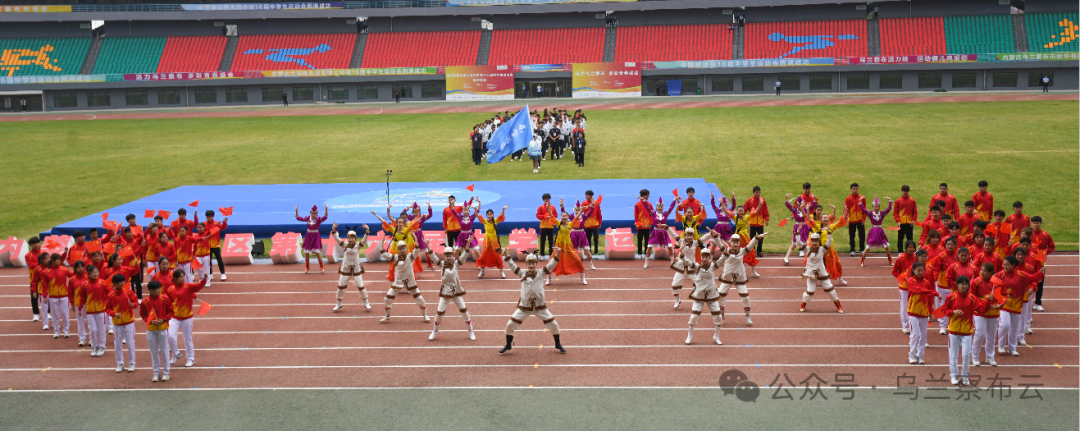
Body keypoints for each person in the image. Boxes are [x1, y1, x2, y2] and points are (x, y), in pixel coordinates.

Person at [499, 249, 564, 354]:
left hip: (540, 307)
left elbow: (551, 265)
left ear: (536, 263)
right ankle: (508, 344)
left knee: (554, 324)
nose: (531, 265)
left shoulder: (541, 273)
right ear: (526, 264)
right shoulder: (522, 273)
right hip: (524, 307)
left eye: (533, 263)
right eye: (529, 263)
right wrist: (506, 254)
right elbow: (512, 266)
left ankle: (557, 343)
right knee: (510, 324)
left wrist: (558, 254)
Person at [939, 276, 996, 385]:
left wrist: (989, 301)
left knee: (966, 355)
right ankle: (954, 375)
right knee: (953, 355)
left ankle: (965, 375)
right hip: (953, 331)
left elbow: (982, 309)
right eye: (962, 284)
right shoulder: (951, 297)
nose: (964, 286)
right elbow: (944, 310)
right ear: (957, 285)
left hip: (967, 332)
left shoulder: (972, 298)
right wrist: (953, 312)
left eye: (966, 284)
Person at [994, 256, 1039, 357]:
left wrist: (1041, 272)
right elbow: (994, 288)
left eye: (1007, 265)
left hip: (1017, 306)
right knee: (1004, 325)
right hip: (1004, 305)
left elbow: (1033, 278)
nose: (1005, 266)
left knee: (1014, 328)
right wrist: (1000, 298)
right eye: (1004, 264)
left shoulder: (1021, 275)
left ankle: (1012, 348)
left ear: (1014, 265)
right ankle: (1001, 345)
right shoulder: (999, 275)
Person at [718, 232, 766, 326]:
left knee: (746, 297)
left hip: (739, 278)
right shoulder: (726, 251)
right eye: (733, 242)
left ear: (739, 243)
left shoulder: (742, 251)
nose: (735, 244)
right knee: (720, 295)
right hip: (727, 277)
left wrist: (756, 238)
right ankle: (721, 313)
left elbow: (750, 246)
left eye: (737, 242)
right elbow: (719, 244)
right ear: (730, 243)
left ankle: (747, 316)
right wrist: (715, 236)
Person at [429, 247, 475, 341]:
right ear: (444, 256)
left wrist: (467, 247)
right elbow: (434, 257)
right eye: (446, 256)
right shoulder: (441, 264)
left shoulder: (456, 264)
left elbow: (463, 258)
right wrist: (429, 247)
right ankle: (434, 331)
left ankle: (471, 331)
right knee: (439, 313)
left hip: (456, 292)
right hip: (445, 293)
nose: (448, 257)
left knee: (464, 311)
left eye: (450, 255)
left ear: (452, 256)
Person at [379, 241, 429, 323]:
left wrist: (416, 239)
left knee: (419, 298)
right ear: (398, 250)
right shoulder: (395, 257)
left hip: (410, 282)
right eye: (400, 249)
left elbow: (416, 249)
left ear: (406, 248)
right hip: (398, 282)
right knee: (387, 298)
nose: (402, 250)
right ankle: (387, 316)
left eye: (403, 248)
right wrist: (382, 242)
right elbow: (384, 254)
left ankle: (425, 314)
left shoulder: (410, 257)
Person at [681, 249, 724, 345]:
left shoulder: (712, 267)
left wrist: (725, 251)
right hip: (699, 295)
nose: (704, 259)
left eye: (706, 257)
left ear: (709, 258)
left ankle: (716, 336)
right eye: (703, 257)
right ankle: (689, 335)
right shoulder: (697, 267)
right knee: (694, 316)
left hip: (711, 295)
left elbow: (721, 261)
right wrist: (682, 253)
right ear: (701, 257)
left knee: (718, 316)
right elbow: (687, 262)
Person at [166, 269, 206, 368]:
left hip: (187, 317)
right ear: (175, 279)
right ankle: (176, 354)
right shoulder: (170, 290)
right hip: (174, 317)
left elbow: (198, 286)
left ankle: (190, 358)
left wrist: (204, 279)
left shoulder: (188, 286)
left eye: (183, 276)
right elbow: (168, 303)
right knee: (170, 336)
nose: (183, 278)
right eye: (180, 277)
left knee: (187, 338)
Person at [800, 232, 843, 313]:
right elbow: (799, 243)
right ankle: (803, 304)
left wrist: (829, 233)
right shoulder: (807, 249)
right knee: (810, 291)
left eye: (816, 241)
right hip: (811, 274)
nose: (815, 243)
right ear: (811, 241)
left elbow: (829, 242)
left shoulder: (822, 249)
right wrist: (798, 233)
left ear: (819, 242)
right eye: (813, 241)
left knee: (830, 289)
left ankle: (838, 305)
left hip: (822, 273)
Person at [331, 223, 371, 312]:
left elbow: (364, 241)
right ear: (347, 238)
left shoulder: (358, 245)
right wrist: (333, 230)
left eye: (353, 238)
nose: (351, 239)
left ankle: (366, 302)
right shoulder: (344, 245)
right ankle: (338, 303)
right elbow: (337, 239)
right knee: (341, 286)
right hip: (345, 268)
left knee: (360, 286)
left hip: (356, 269)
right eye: (349, 238)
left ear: (355, 239)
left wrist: (367, 231)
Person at [140, 280, 174, 382]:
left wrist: (164, 319)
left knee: (164, 351)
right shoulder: (145, 301)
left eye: (160, 289)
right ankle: (156, 373)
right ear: (151, 290)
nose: (159, 291)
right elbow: (143, 314)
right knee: (154, 352)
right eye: (157, 289)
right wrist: (150, 321)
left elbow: (171, 311)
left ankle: (166, 372)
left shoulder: (165, 298)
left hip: (163, 328)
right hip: (151, 329)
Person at [105, 274, 139, 373]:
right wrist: (114, 314)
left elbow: (136, 302)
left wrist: (133, 304)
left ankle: (132, 363)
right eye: (120, 282)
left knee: (130, 343)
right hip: (117, 323)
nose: (122, 283)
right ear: (115, 283)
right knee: (117, 344)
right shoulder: (111, 295)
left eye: (123, 281)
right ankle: (120, 363)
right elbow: (108, 309)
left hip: (129, 322)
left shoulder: (128, 292)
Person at [905, 262, 937, 364]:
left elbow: (929, 299)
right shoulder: (910, 281)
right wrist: (934, 292)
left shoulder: (926, 282)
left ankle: (920, 356)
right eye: (918, 271)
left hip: (924, 313)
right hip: (913, 312)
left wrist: (931, 312)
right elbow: (919, 290)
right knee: (916, 334)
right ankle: (912, 355)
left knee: (923, 336)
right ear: (913, 270)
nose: (920, 272)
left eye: (922, 271)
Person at [970, 263, 1000, 367]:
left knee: (991, 336)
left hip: (993, 313)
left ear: (991, 273)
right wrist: (985, 303)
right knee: (980, 333)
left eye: (985, 271)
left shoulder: (997, 283)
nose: (982, 272)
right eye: (982, 270)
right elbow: (972, 296)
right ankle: (975, 356)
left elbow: (1002, 296)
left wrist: (998, 305)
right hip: (979, 312)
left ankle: (990, 357)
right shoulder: (976, 281)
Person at [80, 265, 110, 357]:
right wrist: (79, 308)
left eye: (97, 272)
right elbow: (82, 297)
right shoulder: (84, 284)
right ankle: (94, 347)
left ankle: (102, 347)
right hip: (90, 311)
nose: (96, 274)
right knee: (93, 330)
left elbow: (109, 292)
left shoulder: (102, 282)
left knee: (101, 329)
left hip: (101, 310)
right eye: (93, 272)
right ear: (88, 274)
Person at [892, 243, 921, 333]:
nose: (911, 249)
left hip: (915, 285)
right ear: (906, 248)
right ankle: (904, 325)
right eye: (910, 247)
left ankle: (913, 325)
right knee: (904, 305)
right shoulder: (901, 258)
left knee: (914, 304)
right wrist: (903, 277)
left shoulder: (916, 257)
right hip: (904, 286)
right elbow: (894, 271)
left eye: (913, 247)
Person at [476, 205, 509, 279]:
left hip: (494, 242)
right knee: (483, 256)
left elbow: (502, 216)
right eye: (488, 214)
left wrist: (503, 209)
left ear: (493, 215)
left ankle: (501, 271)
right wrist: (476, 208)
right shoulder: (484, 221)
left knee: (498, 256)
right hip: (487, 242)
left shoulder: (495, 221)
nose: (489, 215)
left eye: (491, 214)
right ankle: (482, 271)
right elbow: (477, 215)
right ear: (486, 215)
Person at [45, 253, 74, 338]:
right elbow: (44, 284)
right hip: (53, 296)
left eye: (59, 259)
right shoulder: (47, 271)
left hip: (64, 295)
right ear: (52, 260)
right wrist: (44, 295)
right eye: (57, 259)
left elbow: (73, 276)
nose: (59, 261)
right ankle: (56, 331)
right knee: (55, 315)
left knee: (65, 314)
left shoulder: (64, 269)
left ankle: (66, 331)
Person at [858, 197, 893, 266]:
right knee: (868, 246)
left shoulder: (882, 213)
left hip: (880, 231)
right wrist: (860, 203)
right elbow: (864, 210)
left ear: (879, 207)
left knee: (886, 246)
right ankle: (862, 260)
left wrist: (890, 202)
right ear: (873, 207)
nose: (876, 207)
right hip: (873, 231)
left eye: (877, 206)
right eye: (874, 206)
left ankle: (890, 260)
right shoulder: (870, 213)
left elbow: (888, 209)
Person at [644, 197, 678, 268]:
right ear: (656, 208)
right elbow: (647, 207)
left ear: (663, 208)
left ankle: (672, 261)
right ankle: (646, 262)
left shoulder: (665, 214)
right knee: (649, 247)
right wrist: (644, 201)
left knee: (669, 247)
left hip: (663, 233)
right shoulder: (653, 213)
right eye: (658, 206)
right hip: (655, 233)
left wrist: (674, 200)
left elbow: (671, 208)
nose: (660, 208)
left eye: (661, 206)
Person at [1030, 216, 1054, 311]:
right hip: (1030, 260)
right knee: (1029, 280)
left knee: (1040, 281)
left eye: (1037, 223)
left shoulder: (1046, 235)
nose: (1036, 224)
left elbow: (1052, 246)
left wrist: (1044, 253)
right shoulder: (1029, 234)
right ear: (1032, 223)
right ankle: (1027, 302)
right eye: (1034, 223)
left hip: (1040, 261)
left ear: (1041, 223)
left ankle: (1038, 303)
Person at [295, 204, 329, 273]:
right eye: (312, 213)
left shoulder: (318, 220)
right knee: (306, 252)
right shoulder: (307, 218)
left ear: (316, 214)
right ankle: (307, 266)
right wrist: (296, 211)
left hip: (316, 236)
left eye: (315, 213)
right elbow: (298, 218)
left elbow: (325, 217)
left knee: (317, 252)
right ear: (310, 213)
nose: (313, 215)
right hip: (308, 236)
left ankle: (322, 266)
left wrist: (326, 209)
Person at [781, 194, 811, 266]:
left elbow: (805, 216)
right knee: (794, 244)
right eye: (799, 204)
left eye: (801, 204)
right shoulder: (794, 210)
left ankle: (810, 259)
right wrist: (786, 197)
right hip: (797, 227)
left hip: (805, 227)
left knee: (807, 244)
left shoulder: (806, 210)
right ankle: (786, 258)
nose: (800, 206)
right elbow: (787, 205)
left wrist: (803, 209)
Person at [743, 186, 769, 257]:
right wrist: (742, 217)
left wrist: (767, 219)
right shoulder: (749, 200)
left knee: (760, 238)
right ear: (753, 192)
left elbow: (765, 210)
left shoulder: (763, 200)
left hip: (760, 223)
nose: (758, 193)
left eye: (759, 192)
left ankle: (759, 251)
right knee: (752, 238)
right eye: (757, 192)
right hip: (752, 223)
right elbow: (744, 209)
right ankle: (752, 251)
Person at [203, 210, 228, 281]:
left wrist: (224, 222)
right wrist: (212, 229)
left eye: (210, 216)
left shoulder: (217, 223)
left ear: (213, 216)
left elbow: (223, 227)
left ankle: (223, 274)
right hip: (207, 245)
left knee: (219, 260)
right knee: (208, 261)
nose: (209, 218)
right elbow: (204, 233)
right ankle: (210, 274)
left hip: (216, 245)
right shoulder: (204, 224)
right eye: (207, 216)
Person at [69, 261, 89, 346]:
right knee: (80, 322)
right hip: (78, 303)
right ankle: (82, 339)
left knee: (90, 322)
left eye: (82, 267)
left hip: (88, 303)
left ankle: (92, 339)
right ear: (75, 268)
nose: (80, 268)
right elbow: (70, 292)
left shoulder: (88, 277)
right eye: (78, 267)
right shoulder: (72, 279)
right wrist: (72, 303)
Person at [893, 185, 918, 253]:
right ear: (902, 191)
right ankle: (900, 252)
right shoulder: (898, 201)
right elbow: (895, 212)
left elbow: (915, 211)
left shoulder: (912, 200)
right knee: (900, 238)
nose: (905, 192)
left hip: (910, 223)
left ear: (908, 191)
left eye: (906, 191)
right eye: (904, 191)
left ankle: (910, 251)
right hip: (901, 223)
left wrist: (913, 220)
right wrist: (897, 221)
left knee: (910, 238)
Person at [844, 184, 867, 256]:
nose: (855, 190)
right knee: (852, 236)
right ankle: (852, 250)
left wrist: (864, 218)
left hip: (860, 220)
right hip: (852, 220)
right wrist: (845, 217)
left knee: (862, 235)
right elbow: (846, 209)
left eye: (856, 188)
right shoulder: (848, 199)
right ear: (851, 189)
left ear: (858, 189)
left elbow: (864, 209)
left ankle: (862, 250)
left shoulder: (862, 198)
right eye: (853, 188)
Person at [537, 194, 558, 260]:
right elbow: (538, 216)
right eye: (545, 199)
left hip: (550, 226)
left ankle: (551, 254)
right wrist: (545, 217)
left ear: (549, 199)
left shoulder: (553, 207)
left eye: (548, 199)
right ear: (543, 200)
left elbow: (555, 216)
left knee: (551, 241)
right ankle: (542, 255)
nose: (547, 200)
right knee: (542, 241)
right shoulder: (541, 207)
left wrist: (551, 217)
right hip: (543, 226)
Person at [582, 190, 602, 255]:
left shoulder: (596, 203)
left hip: (595, 224)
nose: (586, 196)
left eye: (587, 195)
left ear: (591, 196)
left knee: (596, 239)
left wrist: (600, 222)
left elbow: (599, 213)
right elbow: (581, 210)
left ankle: (596, 253)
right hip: (587, 224)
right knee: (588, 239)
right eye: (585, 195)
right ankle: (589, 253)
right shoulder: (584, 203)